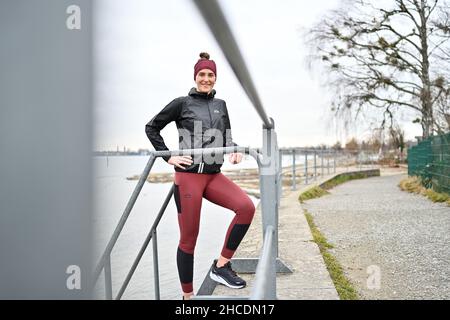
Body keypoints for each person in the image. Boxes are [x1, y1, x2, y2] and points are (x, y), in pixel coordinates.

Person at [145, 52, 256, 300]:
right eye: (202, 75)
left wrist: (234, 150)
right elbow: (151, 127)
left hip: (214, 176)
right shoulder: (181, 103)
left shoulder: (221, 105)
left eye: (210, 75)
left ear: (215, 78)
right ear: (195, 77)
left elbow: (226, 137)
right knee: (189, 239)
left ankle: (221, 266)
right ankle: (188, 297)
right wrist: (167, 156)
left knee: (246, 207)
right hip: (189, 178)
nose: (206, 79)